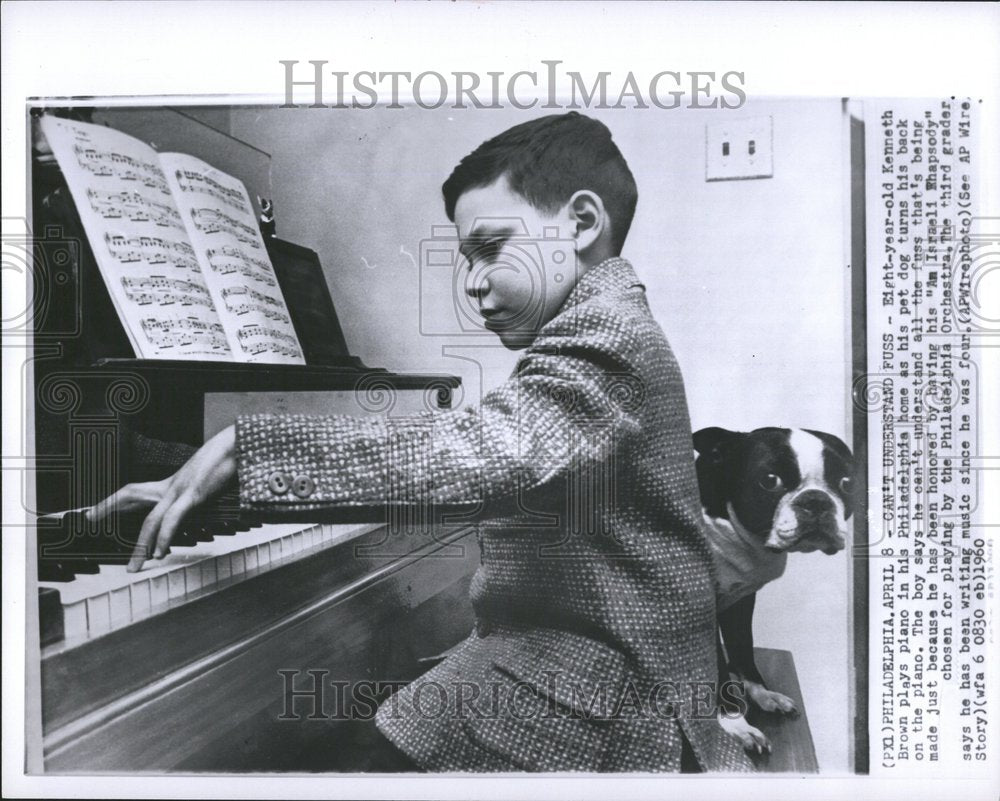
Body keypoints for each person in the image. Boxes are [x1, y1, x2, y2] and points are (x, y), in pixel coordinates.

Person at [88, 111, 753, 773]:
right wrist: (244, 489)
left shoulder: (609, 337)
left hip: (607, 694)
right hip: (571, 657)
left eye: (491, 247)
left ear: (580, 223)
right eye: (467, 258)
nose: (471, 281)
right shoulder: (602, 325)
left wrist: (256, 452)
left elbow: (482, 451)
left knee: (331, 769)